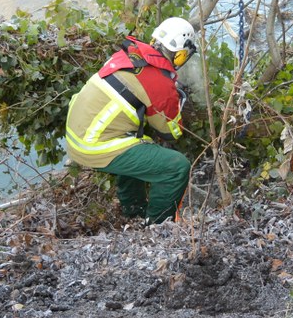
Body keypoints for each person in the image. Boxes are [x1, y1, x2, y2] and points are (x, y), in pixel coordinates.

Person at [65, 17, 197, 224]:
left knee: (140, 144)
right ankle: (158, 226)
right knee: (177, 167)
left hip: (76, 137)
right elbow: (171, 133)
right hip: (92, 145)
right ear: (180, 55)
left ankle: (133, 211)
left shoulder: (130, 55)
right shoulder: (159, 82)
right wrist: (176, 103)